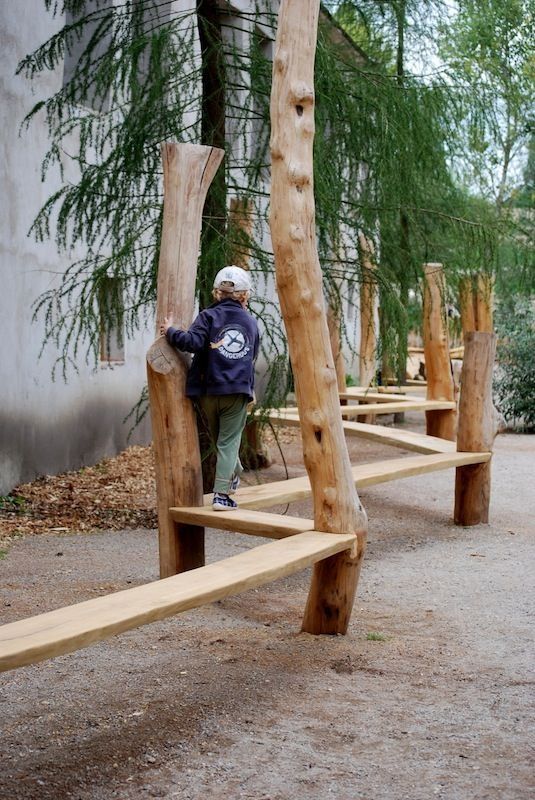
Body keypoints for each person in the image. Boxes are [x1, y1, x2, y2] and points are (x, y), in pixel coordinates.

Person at [160, 265, 259, 511]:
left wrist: (170, 331)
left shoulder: (208, 316)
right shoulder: (251, 323)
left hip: (208, 391)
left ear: (217, 293)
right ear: (245, 296)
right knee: (227, 443)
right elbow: (252, 356)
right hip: (235, 392)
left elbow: (191, 342)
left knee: (221, 442)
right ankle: (222, 496)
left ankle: (231, 475)